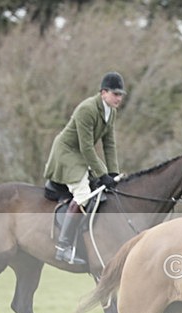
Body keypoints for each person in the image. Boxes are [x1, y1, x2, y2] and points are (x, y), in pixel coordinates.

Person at [43, 71, 126, 265]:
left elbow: (109, 145)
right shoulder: (87, 109)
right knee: (83, 195)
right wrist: (102, 174)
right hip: (66, 153)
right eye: (115, 94)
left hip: (81, 154)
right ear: (103, 92)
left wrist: (113, 172)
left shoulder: (111, 112)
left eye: (121, 95)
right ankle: (63, 247)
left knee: (103, 189)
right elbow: (86, 147)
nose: (119, 98)